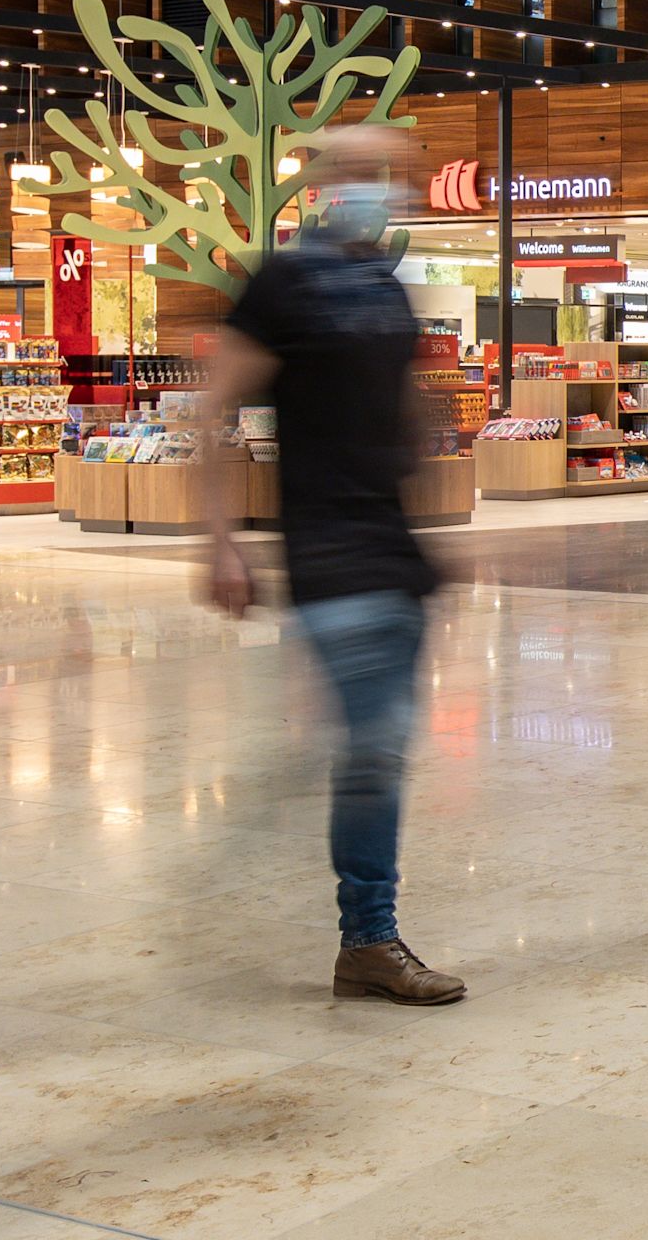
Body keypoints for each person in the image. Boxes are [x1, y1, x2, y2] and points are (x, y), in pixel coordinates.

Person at [202, 123, 464, 1006]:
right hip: (324, 547)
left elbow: (400, 408)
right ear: (318, 184)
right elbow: (210, 412)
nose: (374, 187)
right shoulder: (279, 283)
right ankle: (369, 935)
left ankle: (365, 929)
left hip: (392, 550)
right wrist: (220, 539)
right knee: (372, 748)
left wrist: (431, 489)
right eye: (355, 171)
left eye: (383, 172)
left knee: (377, 748)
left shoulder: (388, 289)